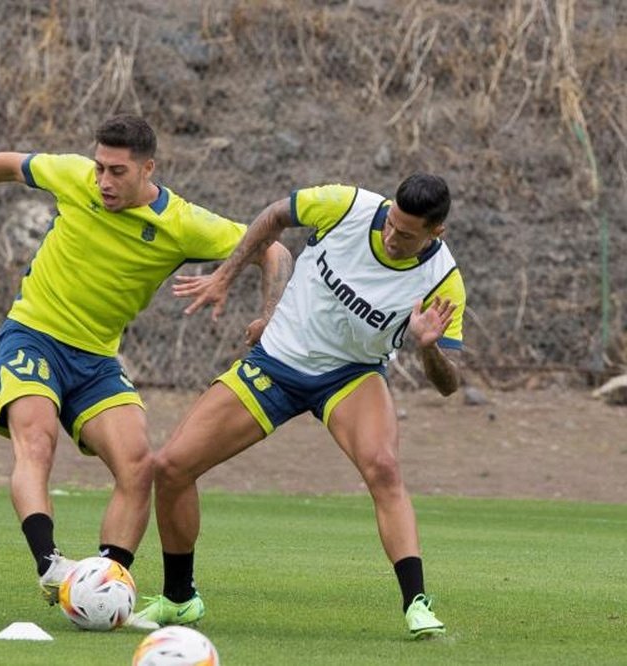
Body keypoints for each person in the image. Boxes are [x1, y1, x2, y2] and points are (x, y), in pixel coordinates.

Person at [0, 115, 291, 611]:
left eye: (118, 171)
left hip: (97, 359)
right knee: (37, 441)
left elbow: (273, 249)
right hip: (33, 336)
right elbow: (10, 164)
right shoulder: (74, 176)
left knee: (138, 465)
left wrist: (263, 310)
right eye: (100, 167)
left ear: (149, 168)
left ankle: (102, 582)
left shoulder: (182, 224)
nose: (104, 181)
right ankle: (50, 566)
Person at [135, 174, 464, 639]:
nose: (391, 237)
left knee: (384, 468)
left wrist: (428, 347)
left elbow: (449, 384)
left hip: (350, 375)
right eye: (391, 223)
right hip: (277, 361)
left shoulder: (442, 279)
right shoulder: (346, 206)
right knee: (170, 468)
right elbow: (273, 216)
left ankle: (417, 604)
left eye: (407, 235)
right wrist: (230, 280)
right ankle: (179, 599)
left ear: (437, 233)